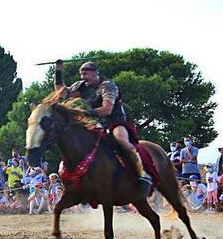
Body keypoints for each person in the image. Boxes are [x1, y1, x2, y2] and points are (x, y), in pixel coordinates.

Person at [54, 60, 151, 194]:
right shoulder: (80, 86)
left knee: (121, 140)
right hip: (95, 124)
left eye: (87, 73)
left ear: (96, 73)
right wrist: (58, 70)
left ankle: (142, 174)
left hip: (115, 122)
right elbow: (61, 93)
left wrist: (85, 112)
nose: (84, 76)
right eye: (82, 73)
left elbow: (107, 110)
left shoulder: (107, 86)